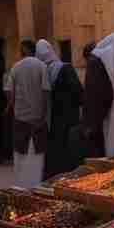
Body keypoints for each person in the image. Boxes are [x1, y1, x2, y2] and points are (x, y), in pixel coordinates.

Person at [37, 39, 84, 178]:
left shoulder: (41, 70)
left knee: (55, 148)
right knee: (68, 148)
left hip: (52, 117)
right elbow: (78, 92)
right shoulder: (65, 68)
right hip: (69, 116)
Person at [7, 40, 51, 188]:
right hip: (38, 118)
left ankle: (21, 185)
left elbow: (9, 91)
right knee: (38, 154)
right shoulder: (42, 66)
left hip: (21, 118)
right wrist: (43, 115)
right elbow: (46, 92)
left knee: (20, 152)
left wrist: (13, 107)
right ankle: (36, 185)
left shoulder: (16, 67)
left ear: (24, 50)